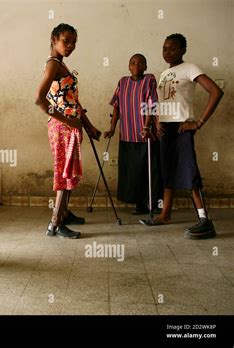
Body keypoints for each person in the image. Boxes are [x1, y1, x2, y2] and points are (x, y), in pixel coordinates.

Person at [140, 33, 224, 239]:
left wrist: (198, 122)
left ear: (183, 50)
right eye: (165, 48)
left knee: (189, 172)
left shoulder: (190, 68)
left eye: (173, 48)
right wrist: (158, 120)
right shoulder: (163, 74)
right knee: (167, 172)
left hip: (181, 127)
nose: (167, 52)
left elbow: (216, 91)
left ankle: (205, 221)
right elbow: (161, 102)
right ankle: (165, 215)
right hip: (166, 128)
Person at [35, 23, 101, 239]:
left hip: (70, 126)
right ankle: (55, 223)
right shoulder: (53, 65)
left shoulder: (60, 64)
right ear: (54, 39)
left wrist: (88, 125)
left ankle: (64, 212)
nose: (71, 45)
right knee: (64, 174)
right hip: (62, 128)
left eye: (74, 42)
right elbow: (39, 100)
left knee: (69, 172)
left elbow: (74, 102)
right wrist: (69, 121)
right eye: (66, 41)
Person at [104, 54, 163, 215]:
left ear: (145, 66)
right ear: (129, 66)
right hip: (127, 135)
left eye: (140, 63)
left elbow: (152, 105)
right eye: (133, 63)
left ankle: (155, 203)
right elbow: (116, 107)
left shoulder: (149, 79)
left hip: (146, 136)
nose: (136, 65)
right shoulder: (122, 82)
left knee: (151, 171)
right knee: (133, 171)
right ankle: (140, 204)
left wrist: (147, 126)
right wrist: (112, 128)